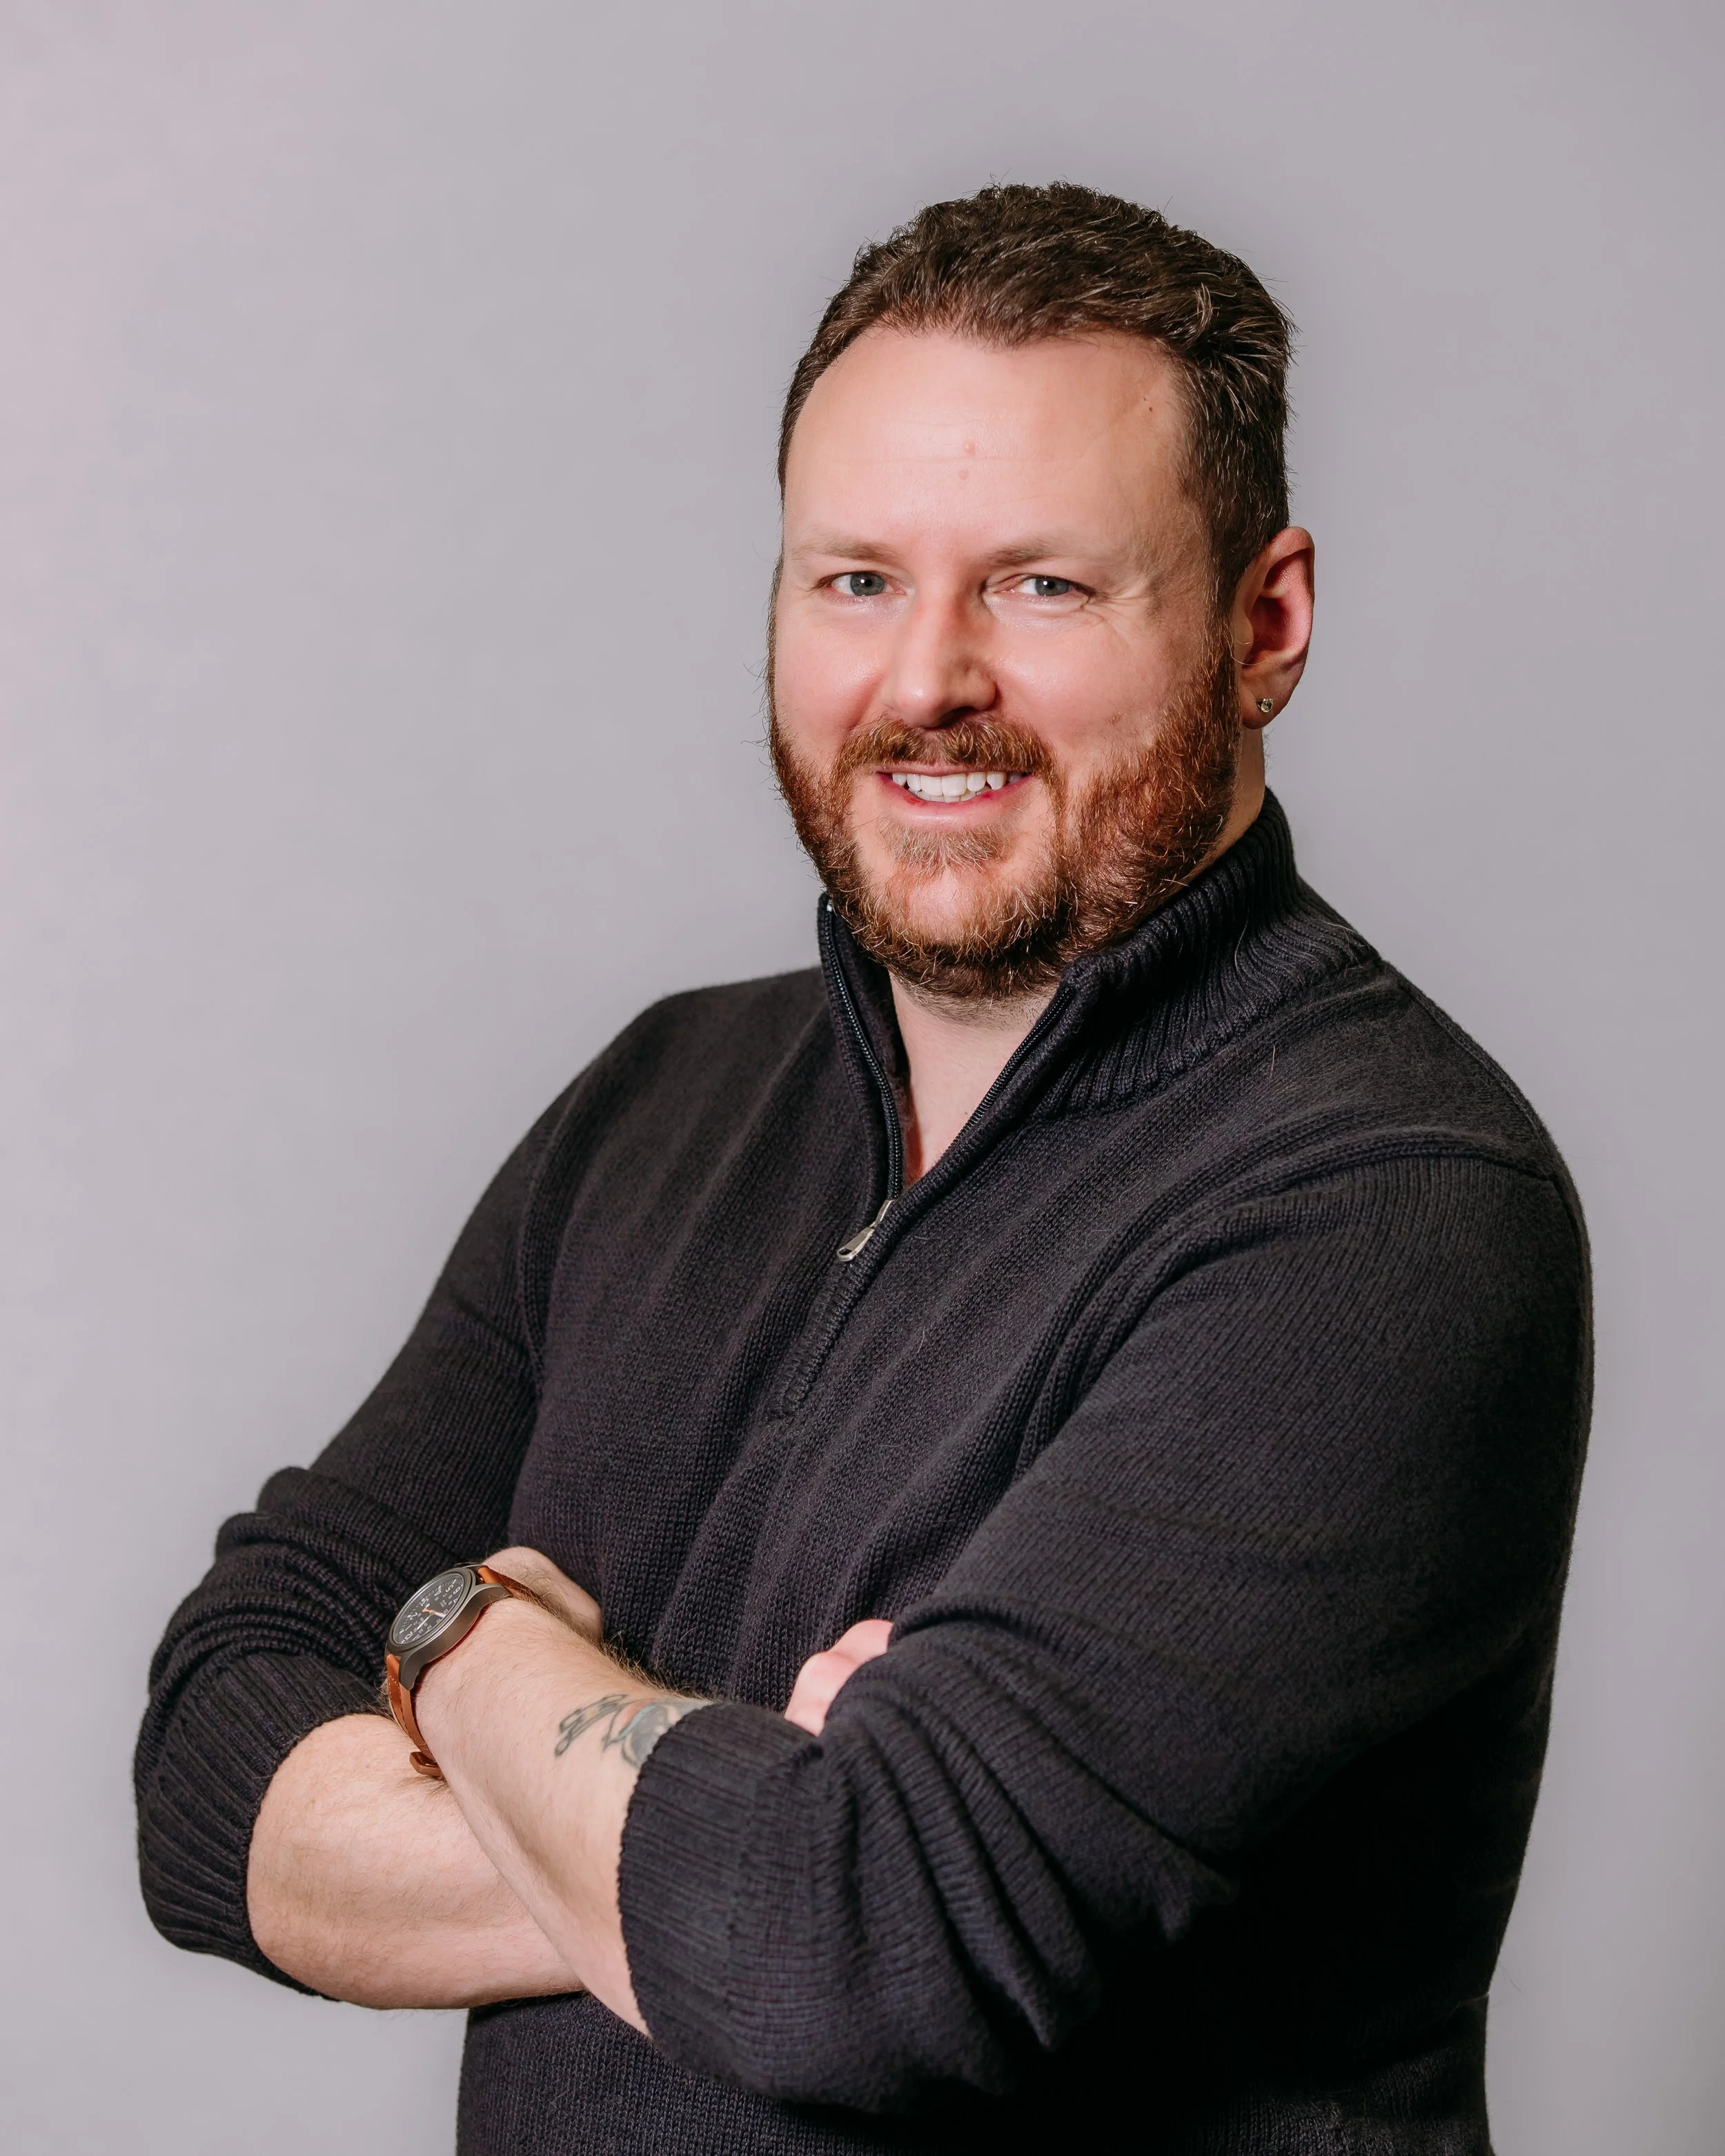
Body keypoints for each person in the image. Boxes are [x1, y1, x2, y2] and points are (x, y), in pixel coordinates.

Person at [136, 182, 1590, 2155]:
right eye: (852, 581)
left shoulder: (1390, 1206)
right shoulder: (655, 1101)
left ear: (1264, 622)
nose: (925, 682)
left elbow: (857, 1952)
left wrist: (461, 1642)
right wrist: (737, 1840)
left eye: (1041, 586)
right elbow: (209, 1746)